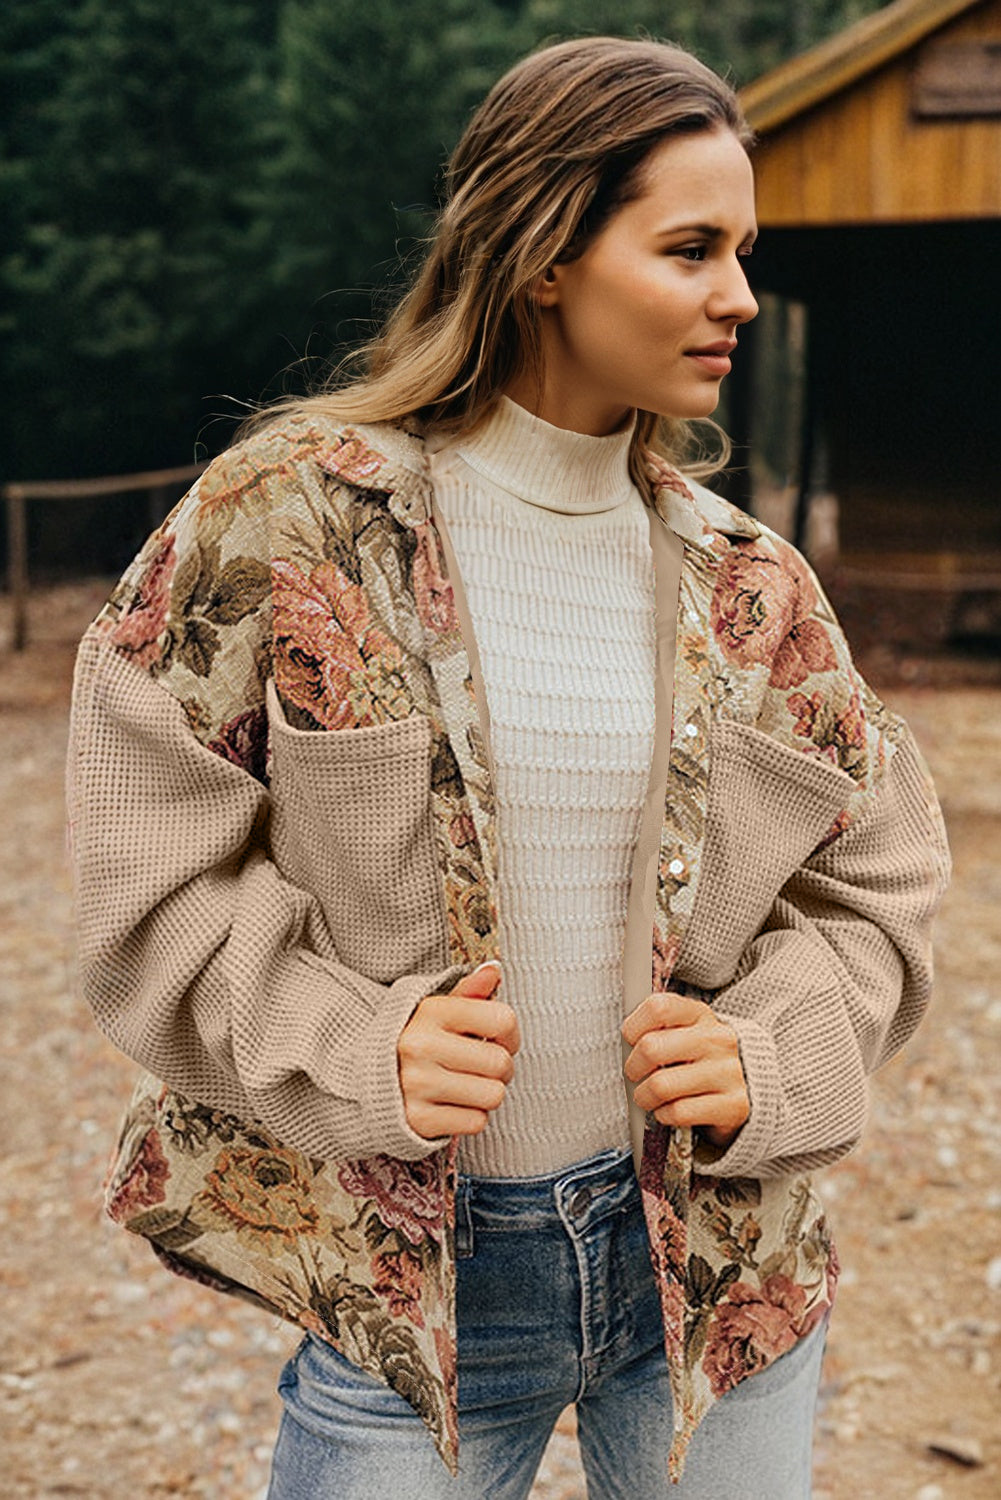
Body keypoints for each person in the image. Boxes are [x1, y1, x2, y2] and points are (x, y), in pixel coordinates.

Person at [66, 34, 950, 1500]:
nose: (738, 293)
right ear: (544, 252)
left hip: (718, 1275)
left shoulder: (757, 587)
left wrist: (768, 1053)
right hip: (408, 1289)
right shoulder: (280, 523)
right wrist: (353, 1045)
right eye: (688, 248)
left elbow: (883, 882)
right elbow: (143, 882)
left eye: (743, 251)